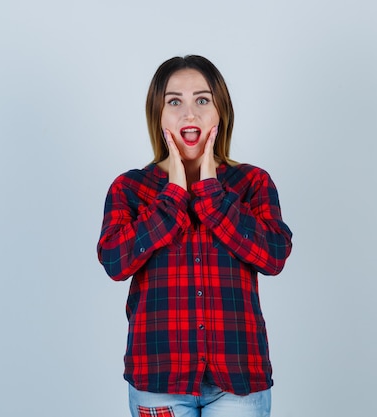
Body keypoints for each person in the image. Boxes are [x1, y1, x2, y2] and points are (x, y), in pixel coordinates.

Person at [96, 55, 293, 417]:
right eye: (175, 102)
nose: (190, 114)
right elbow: (114, 262)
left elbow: (274, 256)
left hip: (238, 383)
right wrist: (172, 195)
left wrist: (212, 193)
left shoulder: (252, 183)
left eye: (202, 100)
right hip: (159, 382)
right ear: (158, 113)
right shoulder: (130, 188)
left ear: (221, 111)